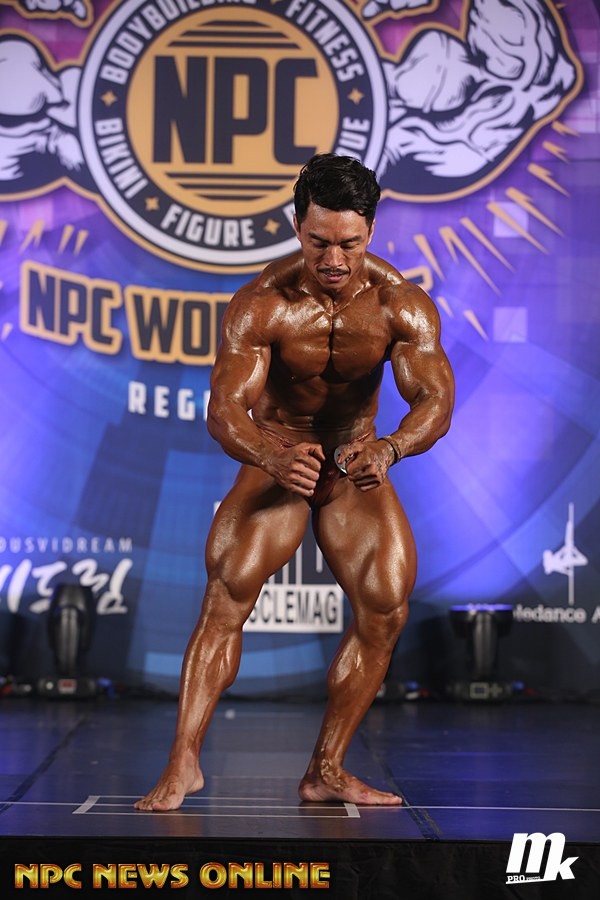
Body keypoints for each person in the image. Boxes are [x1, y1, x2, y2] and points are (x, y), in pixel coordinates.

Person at [135, 153, 454, 811]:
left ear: (370, 230)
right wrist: (268, 454)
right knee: (226, 594)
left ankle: (326, 769)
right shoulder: (261, 305)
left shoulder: (402, 305)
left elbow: (436, 401)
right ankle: (183, 763)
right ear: (296, 227)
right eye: (318, 242)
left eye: (349, 243)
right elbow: (224, 410)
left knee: (386, 606)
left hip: (356, 460)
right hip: (278, 454)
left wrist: (390, 448)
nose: (333, 259)